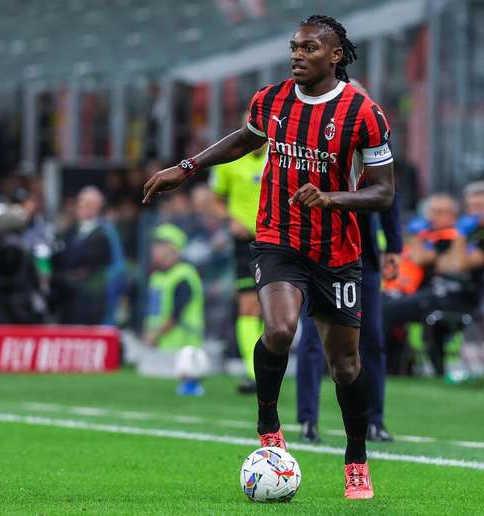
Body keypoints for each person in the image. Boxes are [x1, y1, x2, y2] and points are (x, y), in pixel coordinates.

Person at [143, 15, 394, 499]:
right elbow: (245, 139)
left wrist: (332, 198)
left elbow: (383, 193)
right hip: (279, 238)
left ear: (335, 55)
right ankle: (268, 423)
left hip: (337, 251)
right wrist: (187, 166)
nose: (297, 55)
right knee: (280, 329)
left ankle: (357, 459)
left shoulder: (364, 113)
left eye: (310, 49)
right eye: (294, 47)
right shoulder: (272, 99)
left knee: (345, 365)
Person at [296, 79, 402, 444]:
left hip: (362, 251)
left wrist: (395, 247)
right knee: (312, 338)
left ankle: (375, 418)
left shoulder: (372, 134)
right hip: (318, 248)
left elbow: (388, 194)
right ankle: (308, 419)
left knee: (370, 336)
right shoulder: (311, 138)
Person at [383, 183, 484, 376]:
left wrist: (459, 237)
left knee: (388, 309)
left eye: (479, 206)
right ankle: (394, 365)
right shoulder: (467, 234)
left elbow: (456, 265)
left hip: (461, 298)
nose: (473, 212)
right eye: (470, 206)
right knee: (382, 301)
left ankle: (390, 368)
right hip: (436, 293)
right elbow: (440, 264)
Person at [209, 144, 267, 394]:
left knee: (271, 307)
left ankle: (267, 368)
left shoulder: (279, 155)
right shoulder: (230, 160)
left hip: (275, 239)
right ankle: (255, 373)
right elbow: (215, 199)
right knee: (248, 306)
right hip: (244, 243)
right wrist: (231, 221)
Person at [144, 224, 205, 395]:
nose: (153, 250)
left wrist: (154, 335)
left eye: (158, 245)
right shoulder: (157, 276)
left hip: (185, 348)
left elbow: (176, 314)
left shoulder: (184, 275)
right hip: (162, 345)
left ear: (172, 248)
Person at [52, 186, 125, 325]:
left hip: (91, 297)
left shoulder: (105, 232)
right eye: (82, 203)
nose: (84, 208)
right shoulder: (69, 230)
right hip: (68, 298)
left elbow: (113, 265)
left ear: (98, 207)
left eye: (89, 204)